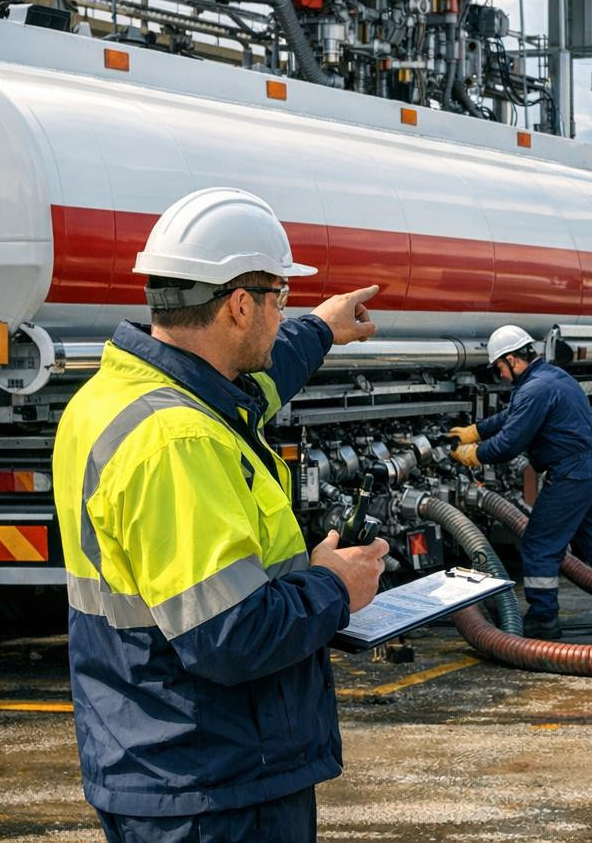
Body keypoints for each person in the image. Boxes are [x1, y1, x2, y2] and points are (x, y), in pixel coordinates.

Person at [53, 187, 388, 843]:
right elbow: (227, 635)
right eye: (279, 298)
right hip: (215, 785)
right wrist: (333, 586)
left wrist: (321, 325)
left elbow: (261, 379)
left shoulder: (117, 398)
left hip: (159, 755)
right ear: (240, 305)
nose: (281, 311)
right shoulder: (177, 440)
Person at [449, 325, 592, 641]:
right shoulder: (552, 378)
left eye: (498, 368)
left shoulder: (534, 389)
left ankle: (543, 620)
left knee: (539, 544)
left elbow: (508, 443)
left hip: (572, 473)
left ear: (512, 359)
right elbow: (510, 417)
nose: (500, 375)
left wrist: (471, 454)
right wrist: (475, 430)